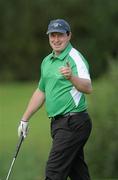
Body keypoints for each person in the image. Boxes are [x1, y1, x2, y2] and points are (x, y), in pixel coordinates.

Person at [18, 19, 92, 180]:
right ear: (49, 37)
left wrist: (71, 77)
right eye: (53, 35)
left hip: (74, 122)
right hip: (58, 124)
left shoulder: (75, 57)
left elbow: (88, 87)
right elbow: (41, 91)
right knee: (78, 173)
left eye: (60, 35)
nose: (56, 39)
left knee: (53, 172)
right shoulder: (47, 61)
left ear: (69, 35)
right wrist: (25, 119)